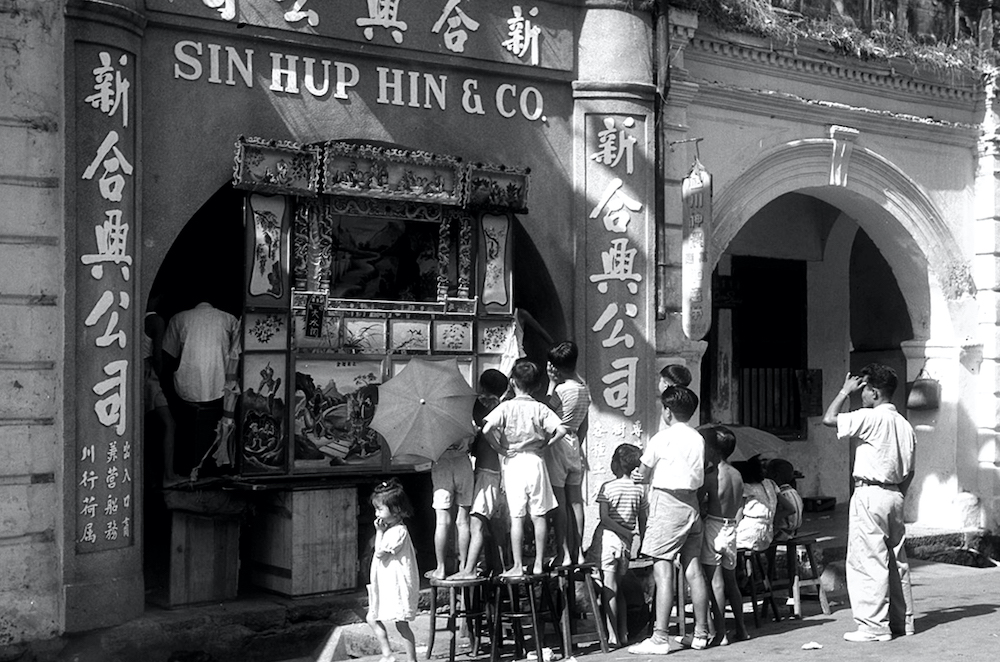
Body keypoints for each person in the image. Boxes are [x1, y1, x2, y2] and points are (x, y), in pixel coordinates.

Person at [822, 364, 916, 642]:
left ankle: (873, 626)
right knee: (896, 561)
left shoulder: (871, 417)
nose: (861, 395)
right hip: (895, 495)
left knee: (868, 559)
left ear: (874, 392)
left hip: (870, 493)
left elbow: (830, 418)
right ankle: (902, 622)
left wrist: (843, 391)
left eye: (863, 390)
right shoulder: (904, 424)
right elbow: (910, 471)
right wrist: (898, 495)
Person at [627, 386, 711, 654]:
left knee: (662, 570)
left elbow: (643, 471)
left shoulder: (661, 439)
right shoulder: (698, 438)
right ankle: (701, 633)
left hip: (668, 504)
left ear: (667, 411)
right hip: (692, 505)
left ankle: (660, 637)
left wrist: (641, 476)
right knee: (693, 568)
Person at [482, 358, 567, 576]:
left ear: (512, 382)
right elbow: (561, 430)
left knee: (517, 516)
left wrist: (499, 448)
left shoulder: (506, 407)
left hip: (514, 462)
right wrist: (547, 444)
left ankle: (518, 565)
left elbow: (486, 429)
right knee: (539, 515)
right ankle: (538, 563)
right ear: (537, 385)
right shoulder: (540, 408)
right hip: (535, 461)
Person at [162, 299, 240, 478]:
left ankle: (187, 469)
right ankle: (215, 469)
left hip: (187, 387)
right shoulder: (229, 319)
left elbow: (168, 355)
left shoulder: (178, 319)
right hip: (220, 387)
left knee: (187, 434)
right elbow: (238, 354)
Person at [450, 369, 510, 579]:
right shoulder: (502, 408)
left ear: (482, 386)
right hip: (495, 472)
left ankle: (468, 570)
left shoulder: (486, 408)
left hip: (488, 473)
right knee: (494, 525)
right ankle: (500, 566)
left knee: (476, 522)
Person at [586, 443, 647, 647]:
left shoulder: (608, 487)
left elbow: (604, 517)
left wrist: (623, 531)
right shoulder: (639, 489)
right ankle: (623, 633)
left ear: (617, 464)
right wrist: (639, 540)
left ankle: (612, 635)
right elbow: (642, 518)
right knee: (617, 589)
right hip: (626, 545)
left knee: (608, 588)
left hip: (609, 540)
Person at [698, 425, 749, 646]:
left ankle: (720, 633)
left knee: (715, 582)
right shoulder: (737, 474)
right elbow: (739, 503)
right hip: (731, 529)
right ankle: (741, 627)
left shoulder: (710, 476)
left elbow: (701, 503)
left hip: (714, 527)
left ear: (712, 450)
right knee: (731, 581)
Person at [545, 340, 592, 566]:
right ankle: (579, 551)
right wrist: (578, 445)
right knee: (576, 502)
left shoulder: (561, 390)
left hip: (557, 443)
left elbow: (544, 411)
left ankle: (563, 553)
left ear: (556, 367)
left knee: (560, 502)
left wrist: (551, 384)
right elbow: (585, 425)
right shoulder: (584, 389)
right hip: (574, 443)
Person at [366, 479, 419, 662]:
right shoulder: (390, 529)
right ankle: (387, 654)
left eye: (380, 509)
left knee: (401, 624)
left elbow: (380, 552)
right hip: (385, 583)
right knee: (372, 617)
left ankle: (411, 659)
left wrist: (379, 532)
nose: (376, 513)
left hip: (397, 584)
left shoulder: (398, 532)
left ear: (396, 509)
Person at [427, 426, 474, 579]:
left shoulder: (432, 422)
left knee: (442, 522)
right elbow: (473, 438)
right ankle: (464, 566)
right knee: (463, 521)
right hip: (462, 462)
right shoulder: (461, 418)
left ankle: (440, 568)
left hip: (441, 463)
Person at [143, 297, 178, 485]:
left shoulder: (136, 318)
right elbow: (157, 355)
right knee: (168, 424)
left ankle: (156, 475)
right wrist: (160, 375)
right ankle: (168, 476)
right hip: (149, 377)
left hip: (142, 376)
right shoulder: (155, 320)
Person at [733, 455, 779, 552]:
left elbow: (738, 515)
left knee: (721, 543)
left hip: (749, 534)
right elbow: (788, 507)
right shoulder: (770, 483)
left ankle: (738, 567)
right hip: (767, 535)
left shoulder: (746, 487)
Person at [767, 458, 804, 542]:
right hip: (792, 532)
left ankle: (769, 555)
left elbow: (790, 510)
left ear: (775, 476)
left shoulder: (781, 494)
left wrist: (773, 518)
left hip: (782, 533)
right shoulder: (793, 492)